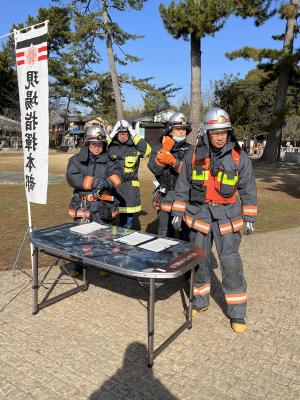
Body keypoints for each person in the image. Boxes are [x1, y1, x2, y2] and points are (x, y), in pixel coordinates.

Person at [171, 107, 257, 333]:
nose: (220, 136)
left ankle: (237, 313)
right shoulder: (193, 155)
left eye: (224, 132)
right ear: (206, 133)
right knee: (199, 261)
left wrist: (249, 216)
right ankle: (200, 301)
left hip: (227, 218)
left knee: (231, 264)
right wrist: (178, 212)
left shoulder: (239, 157)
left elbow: (248, 188)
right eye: (215, 132)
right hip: (199, 216)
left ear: (229, 132)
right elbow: (182, 186)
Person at [66, 125, 122, 277]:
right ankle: (78, 266)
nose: (97, 147)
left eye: (100, 144)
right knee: (80, 236)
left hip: (103, 206)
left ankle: (102, 264)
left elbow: (118, 175)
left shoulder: (111, 160)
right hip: (83, 204)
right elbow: (72, 178)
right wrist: (93, 182)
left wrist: (107, 183)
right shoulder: (76, 160)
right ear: (87, 143)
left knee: (104, 235)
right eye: (93, 144)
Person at [148, 112, 192, 238]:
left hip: (185, 197)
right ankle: (165, 257)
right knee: (164, 231)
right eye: (178, 129)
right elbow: (154, 169)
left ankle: (184, 257)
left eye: (184, 129)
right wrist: (164, 152)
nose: (181, 132)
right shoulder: (158, 148)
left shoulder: (191, 149)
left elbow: (192, 172)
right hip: (165, 195)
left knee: (186, 232)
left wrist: (173, 162)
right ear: (170, 130)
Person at [107, 119, 151, 229]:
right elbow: (98, 146)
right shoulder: (110, 147)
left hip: (130, 190)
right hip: (114, 188)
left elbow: (147, 151)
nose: (122, 136)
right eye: (120, 134)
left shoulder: (135, 146)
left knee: (127, 224)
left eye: (125, 134)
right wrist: (111, 134)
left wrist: (133, 132)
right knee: (111, 222)